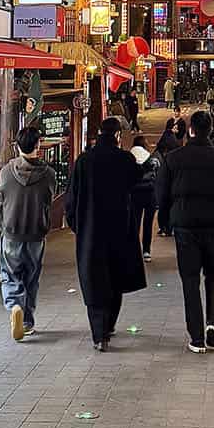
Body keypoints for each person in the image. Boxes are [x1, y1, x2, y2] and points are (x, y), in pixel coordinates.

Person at [155, 109, 214, 353]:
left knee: (190, 280)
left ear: (191, 130)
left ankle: (196, 337)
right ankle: (212, 323)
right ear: (211, 131)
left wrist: (168, 218)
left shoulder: (173, 158)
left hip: (184, 227)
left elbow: (160, 194)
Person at [65, 117, 146, 348]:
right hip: (120, 231)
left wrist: (78, 226)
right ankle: (109, 325)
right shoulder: (125, 160)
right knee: (115, 279)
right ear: (118, 136)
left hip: (91, 232)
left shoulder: (83, 161)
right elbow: (139, 183)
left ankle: (99, 334)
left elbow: (71, 201)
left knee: (94, 280)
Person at [0, 125, 57, 341]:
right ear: (38, 145)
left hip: (11, 232)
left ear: (17, 146)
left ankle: (14, 306)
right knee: (32, 276)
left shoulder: (6, 172)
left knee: (10, 274)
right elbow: (50, 199)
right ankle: (28, 321)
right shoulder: (49, 174)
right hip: (36, 234)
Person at [130, 132, 157, 260]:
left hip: (134, 195)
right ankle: (146, 251)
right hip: (150, 195)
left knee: (134, 223)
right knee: (148, 223)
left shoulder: (128, 159)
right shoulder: (152, 160)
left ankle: (133, 250)